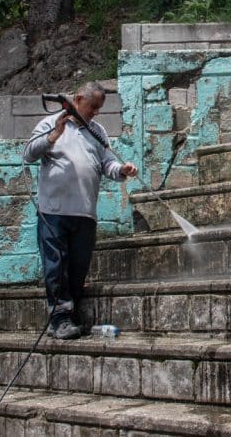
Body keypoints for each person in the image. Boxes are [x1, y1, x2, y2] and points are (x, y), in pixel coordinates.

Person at [23, 81, 138, 339]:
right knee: (56, 266)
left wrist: (121, 170)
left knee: (78, 268)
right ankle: (59, 319)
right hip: (53, 211)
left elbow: (107, 163)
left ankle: (67, 317)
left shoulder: (97, 131)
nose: (95, 112)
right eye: (92, 107)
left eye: (99, 108)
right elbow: (29, 154)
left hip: (85, 212)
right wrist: (53, 136)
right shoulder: (50, 124)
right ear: (77, 99)